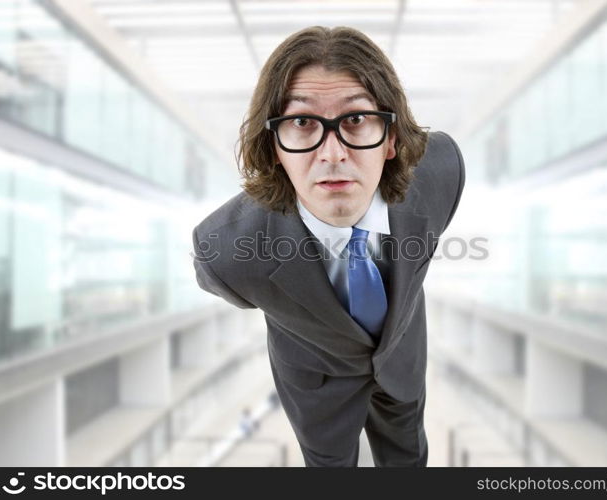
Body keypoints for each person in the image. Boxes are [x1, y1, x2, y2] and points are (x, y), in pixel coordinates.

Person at [192, 26, 465, 467]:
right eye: (303, 123)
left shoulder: (442, 175)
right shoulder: (224, 251)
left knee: (409, 455)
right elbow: (236, 292)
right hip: (316, 382)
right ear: (275, 146)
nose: (332, 153)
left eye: (355, 120)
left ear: (392, 138)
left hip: (402, 359)